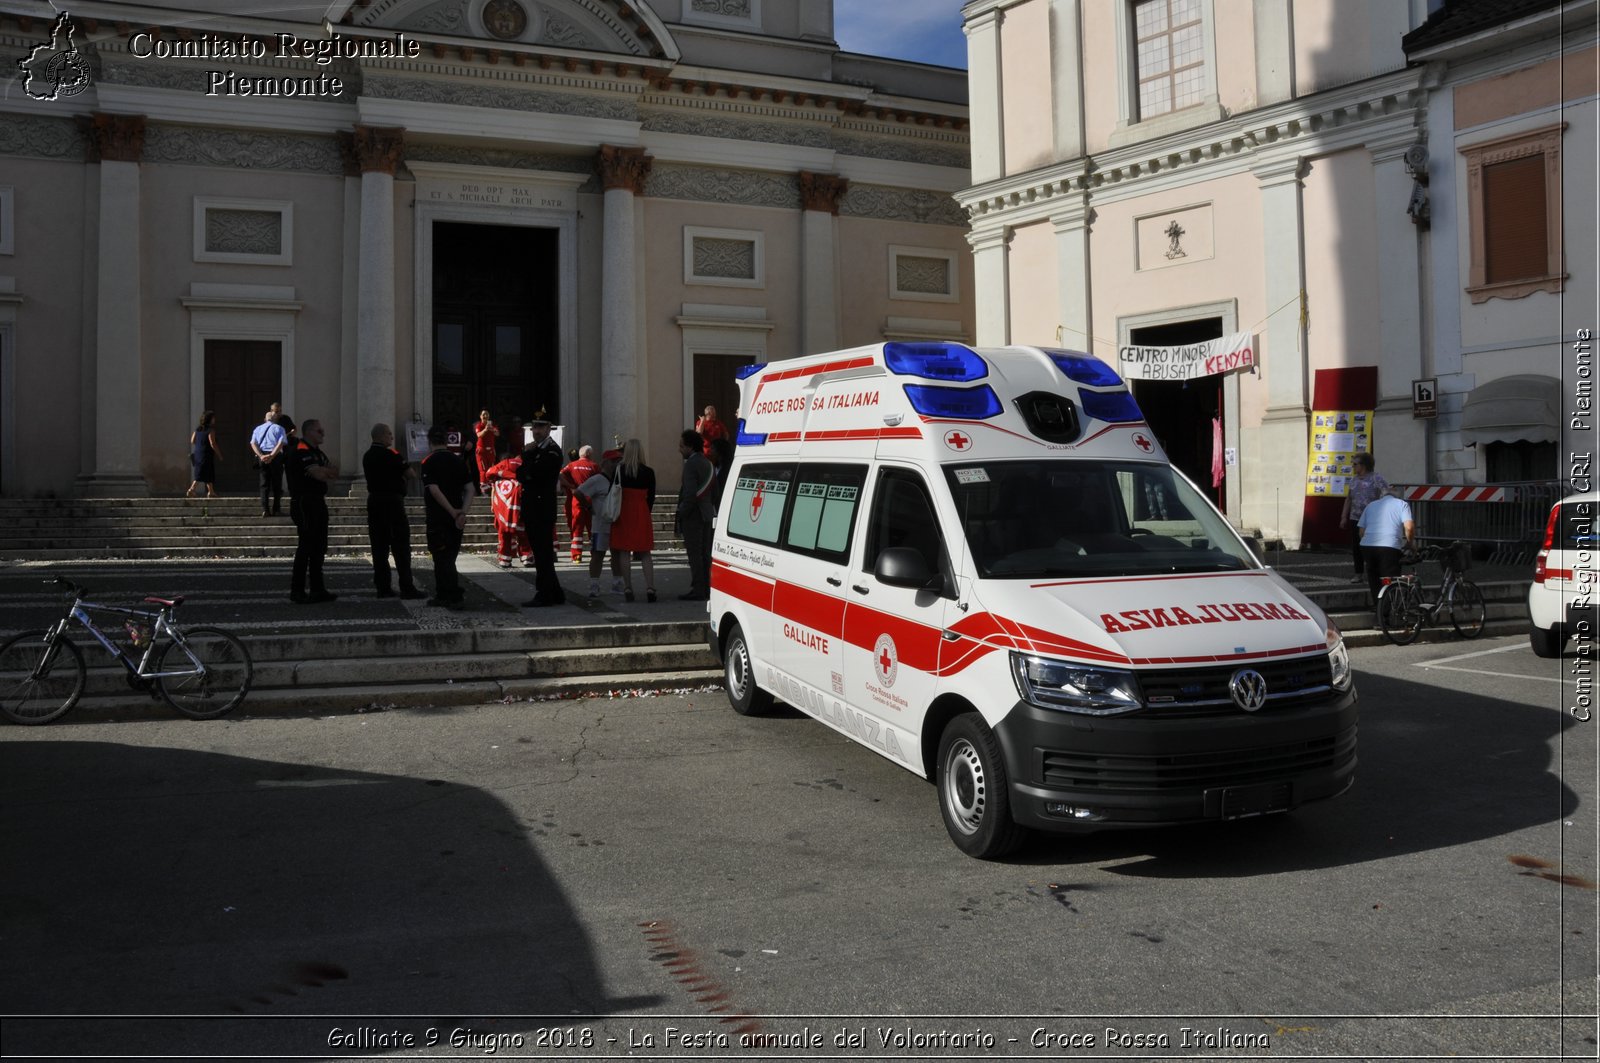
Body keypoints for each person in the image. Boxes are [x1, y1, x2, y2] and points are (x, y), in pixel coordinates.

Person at [363, 423, 423, 599]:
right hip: (392, 502)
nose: (391, 437)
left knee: (379, 547)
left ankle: (383, 587)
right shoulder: (392, 454)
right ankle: (407, 587)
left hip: (374, 501)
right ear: (381, 436)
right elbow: (411, 473)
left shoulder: (367, 456)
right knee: (401, 546)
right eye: (389, 434)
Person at [285, 417, 339, 604]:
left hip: (318, 501)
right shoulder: (301, 451)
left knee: (319, 547)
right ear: (308, 432)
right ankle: (297, 590)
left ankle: (318, 589)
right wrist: (324, 472)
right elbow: (319, 473)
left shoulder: (318, 453)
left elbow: (334, 472)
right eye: (319, 430)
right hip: (304, 502)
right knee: (306, 546)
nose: (323, 433)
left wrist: (324, 472)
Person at [420, 425, 472, 609]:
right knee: (450, 556)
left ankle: (449, 595)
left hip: (438, 517)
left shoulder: (428, 462)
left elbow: (434, 489)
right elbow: (470, 488)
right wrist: (462, 512)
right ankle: (450, 592)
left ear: (430, 441)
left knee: (441, 558)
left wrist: (451, 511)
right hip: (456, 519)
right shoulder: (457, 461)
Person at [517, 418, 567, 607]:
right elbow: (520, 475)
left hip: (541, 509)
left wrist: (528, 459)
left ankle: (544, 593)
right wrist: (527, 464)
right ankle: (555, 592)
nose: (535, 431)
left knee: (543, 554)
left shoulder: (551, 451)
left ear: (548, 428)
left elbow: (534, 474)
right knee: (541, 553)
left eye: (539, 427)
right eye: (533, 427)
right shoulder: (536, 450)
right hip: (534, 508)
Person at [610, 437, 657, 603]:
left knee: (624, 551)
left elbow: (613, 492)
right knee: (645, 552)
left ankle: (628, 587)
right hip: (642, 511)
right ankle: (650, 587)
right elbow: (651, 497)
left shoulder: (620, 470)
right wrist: (645, 511)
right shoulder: (649, 472)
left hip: (624, 511)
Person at [575, 449, 625, 601]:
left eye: (618, 461)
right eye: (614, 461)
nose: (617, 464)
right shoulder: (597, 479)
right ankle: (594, 584)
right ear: (606, 463)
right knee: (598, 555)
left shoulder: (620, 478)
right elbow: (578, 492)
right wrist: (589, 507)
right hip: (601, 525)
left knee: (617, 554)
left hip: (617, 524)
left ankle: (617, 583)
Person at [1358, 485, 1416, 613]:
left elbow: (1361, 531)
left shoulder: (1371, 505)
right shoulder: (1402, 504)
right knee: (1389, 579)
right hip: (1389, 546)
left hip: (1367, 545)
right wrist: (1410, 543)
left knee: (1373, 576)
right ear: (1398, 496)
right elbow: (1409, 527)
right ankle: (1386, 613)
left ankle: (1377, 605)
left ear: (1382, 495)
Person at [676, 429, 716, 601]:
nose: (679, 449)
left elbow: (690, 493)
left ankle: (699, 588)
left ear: (690, 447)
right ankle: (707, 587)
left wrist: (681, 512)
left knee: (695, 554)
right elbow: (715, 491)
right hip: (707, 513)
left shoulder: (691, 465)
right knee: (705, 553)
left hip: (694, 515)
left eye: (681, 446)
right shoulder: (708, 463)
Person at [1340, 452, 1389, 584]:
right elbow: (1349, 499)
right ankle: (1358, 573)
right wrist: (1344, 516)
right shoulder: (1354, 480)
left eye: (1355, 464)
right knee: (1357, 547)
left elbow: (1387, 495)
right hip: (1356, 518)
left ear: (1364, 465)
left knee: (1373, 547)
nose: (1353, 467)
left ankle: (1376, 573)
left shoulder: (1376, 478)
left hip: (1372, 519)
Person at [483, 451, 534, 569]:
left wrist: (504, 474)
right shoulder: (525, 464)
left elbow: (489, 473)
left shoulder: (503, 467)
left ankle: (505, 560)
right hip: (522, 504)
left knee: (504, 532)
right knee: (523, 531)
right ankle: (527, 558)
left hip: (503, 508)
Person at [559, 445, 599, 563]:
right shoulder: (594, 466)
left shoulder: (571, 465)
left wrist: (570, 485)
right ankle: (595, 554)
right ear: (589, 454)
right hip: (590, 499)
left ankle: (576, 556)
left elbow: (560, 474)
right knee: (593, 528)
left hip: (577, 499)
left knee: (577, 528)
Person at [250, 408, 288, 516]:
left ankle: (265, 509)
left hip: (262, 457)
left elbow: (253, 443)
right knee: (277, 484)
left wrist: (261, 456)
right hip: (275, 457)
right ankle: (276, 509)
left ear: (265, 419)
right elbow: (281, 443)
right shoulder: (279, 428)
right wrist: (271, 455)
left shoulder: (258, 429)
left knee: (264, 484)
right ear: (274, 419)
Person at [187, 411, 222, 498]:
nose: (214, 419)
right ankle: (191, 489)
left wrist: (200, 444)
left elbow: (192, 440)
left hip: (198, 453)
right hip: (206, 454)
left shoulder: (198, 429)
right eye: (213, 418)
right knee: (202, 472)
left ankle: (211, 492)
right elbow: (212, 443)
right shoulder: (210, 430)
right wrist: (219, 454)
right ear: (210, 419)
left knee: (207, 472)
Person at [473, 409, 499, 494]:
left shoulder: (492, 425)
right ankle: (483, 489)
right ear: (480, 416)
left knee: (491, 469)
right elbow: (479, 435)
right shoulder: (479, 426)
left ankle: (491, 487)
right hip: (481, 451)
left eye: (487, 414)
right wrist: (485, 429)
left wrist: (492, 429)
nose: (485, 416)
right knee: (483, 469)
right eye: (483, 414)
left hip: (490, 451)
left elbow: (497, 434)